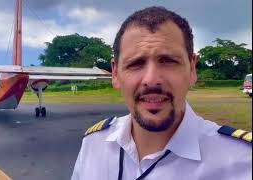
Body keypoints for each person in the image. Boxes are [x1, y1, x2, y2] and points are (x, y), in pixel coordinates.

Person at [71, 6, 252, 180]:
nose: (151, 79)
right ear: (116, 73)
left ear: (192, 69)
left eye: (168, 61)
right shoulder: (93, 145)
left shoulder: (243, 162)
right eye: (136, 63)